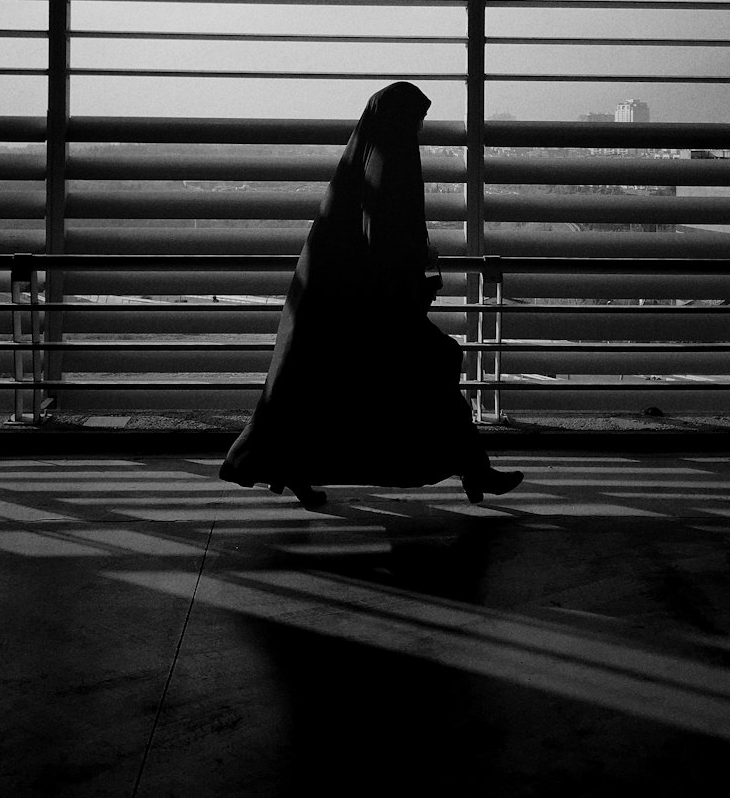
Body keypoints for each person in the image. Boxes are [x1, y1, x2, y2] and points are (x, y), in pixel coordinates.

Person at [219, 81, 523, 508]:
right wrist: (412, 286)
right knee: (431, 371)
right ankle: (474, 469)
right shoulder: (386, 164)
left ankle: (472, 469)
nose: (417, 131)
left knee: (320, 398)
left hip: (347, 309)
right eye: (415, 122)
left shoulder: (366, 164)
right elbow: (385, 241)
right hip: (376, 309)